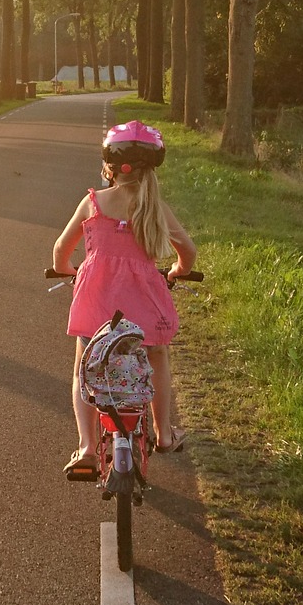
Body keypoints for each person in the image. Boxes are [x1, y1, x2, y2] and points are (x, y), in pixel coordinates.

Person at [52, 120, 197, 476]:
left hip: (96, 303)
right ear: (152, 170)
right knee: (157, 356)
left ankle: (86, 447)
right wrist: (178, 269)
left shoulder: (93, 203)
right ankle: (163, 434)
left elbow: (60, 251)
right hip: (144, 303)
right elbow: (188, 252)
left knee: (83, 368)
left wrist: (70, 272)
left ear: (110, 168)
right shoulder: (155, 208)